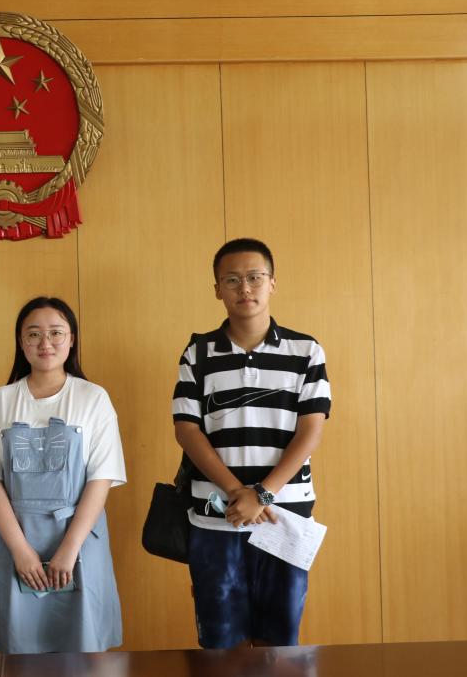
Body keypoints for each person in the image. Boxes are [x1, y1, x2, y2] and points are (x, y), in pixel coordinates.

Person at [172, 238, 331, 648]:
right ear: (217, 289)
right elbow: (187, 430)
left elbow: (311, 430)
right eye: (232, 280)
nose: (244, 288)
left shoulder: (306, 351)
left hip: (286, 513)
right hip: (216, 514)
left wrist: (262, 494)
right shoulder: (198, 353)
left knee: (281, 641)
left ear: (272, 282)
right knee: (220, 642)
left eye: (255, 277)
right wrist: (235, 492)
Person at [0, 296, 126, 654]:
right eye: (34, 334)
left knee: (84, 649)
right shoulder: (0, 400)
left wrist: (70, 549)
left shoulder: (93, 398)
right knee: (21, 650)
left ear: (71, 339)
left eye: (56, 333)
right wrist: (21, 551)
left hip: (79, 539)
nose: (45, 343)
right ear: (21, 341)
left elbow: (101, 478)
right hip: (17, 538)